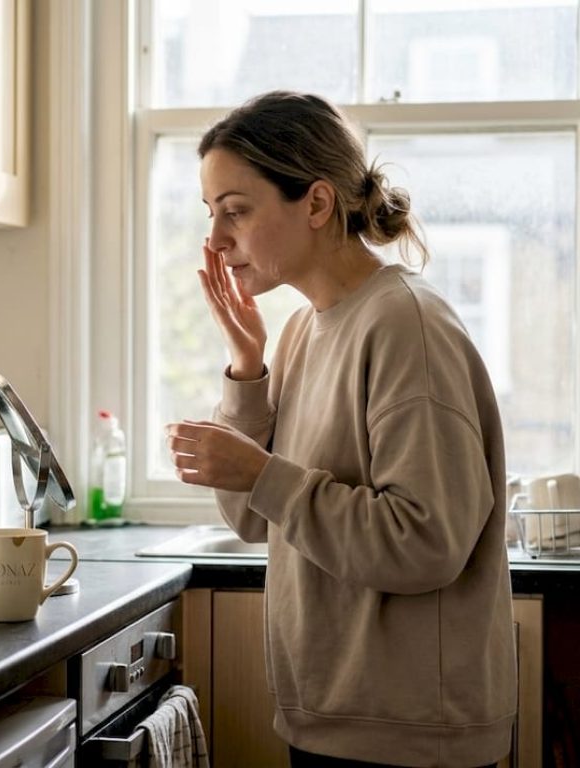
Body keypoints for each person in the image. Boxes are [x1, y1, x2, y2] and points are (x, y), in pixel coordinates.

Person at [166, 91, 517, 768]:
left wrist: (264, 473)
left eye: (235, 212)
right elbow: (252, 519)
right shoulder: (302, 330)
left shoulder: (404, 325)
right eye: (211, 217)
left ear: (318, 205)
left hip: (410, 736)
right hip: (335, 719)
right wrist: (247, 372)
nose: (214, 242)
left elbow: (425, 541)